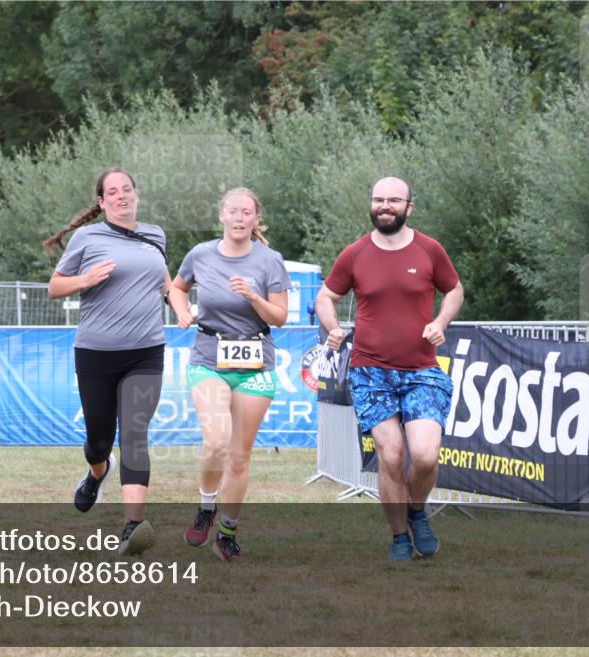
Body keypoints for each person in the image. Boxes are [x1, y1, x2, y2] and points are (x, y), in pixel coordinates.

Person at [316, 176, 464, 562]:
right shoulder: (355, 253)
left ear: (408, 207)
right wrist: (333, 327)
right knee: (392, 456)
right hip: (370, 372)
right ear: (371, 204)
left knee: (426, 455)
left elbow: (455, 289)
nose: (385, 206)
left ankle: (417, 512)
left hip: (421, 370)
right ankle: (399, 536)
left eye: (393, 200)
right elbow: (327, 296)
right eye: (379, 199)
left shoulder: (430, 250)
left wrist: (441, 322)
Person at [46, 167, 170, 557]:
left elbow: (165, 284)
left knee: (134, 434)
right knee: (99, 440)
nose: (121, 196)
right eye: (112, 192)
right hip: (97, 352)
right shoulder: (87, 237)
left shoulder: (156, 235)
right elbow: (55, 287)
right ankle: (97, 471)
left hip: (147, 351)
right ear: (101, 202)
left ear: (136, 195)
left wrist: (181, 305)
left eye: (127, 189)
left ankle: (132, 526)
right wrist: (85, 280)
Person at [169, 188, 289, 561]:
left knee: (238, 457)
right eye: (233, 211)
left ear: (256, 219)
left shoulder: (270, 261)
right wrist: (181, 309)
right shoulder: (200, 255)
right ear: (221, 215)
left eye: (247, 213)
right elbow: (176, 287)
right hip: (208, 358)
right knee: (217, 440)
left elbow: (280, 317)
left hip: (255, 361)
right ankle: (207, 507)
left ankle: (227, 533)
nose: (239, 218)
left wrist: (254, 297)